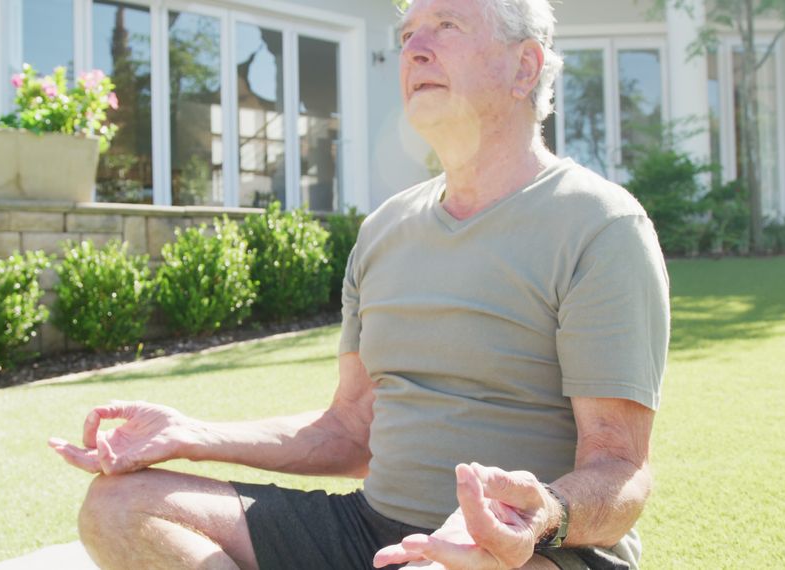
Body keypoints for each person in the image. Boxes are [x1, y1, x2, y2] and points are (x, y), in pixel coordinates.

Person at [48, 0, 670, 568]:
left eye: (447, 25)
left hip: (524, 553)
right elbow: (350, 431)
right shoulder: (384, 231)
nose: (415, 49)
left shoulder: (600, 225)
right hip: (372, 530)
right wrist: (191, 435)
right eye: (407, 35)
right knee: (119, 506)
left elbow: (620, 470)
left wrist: (543, 515)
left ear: (524, 67)